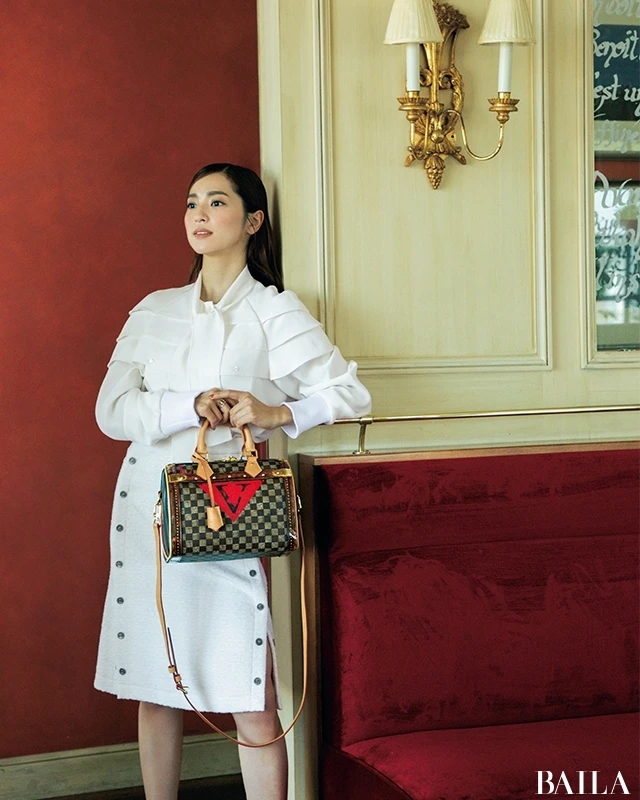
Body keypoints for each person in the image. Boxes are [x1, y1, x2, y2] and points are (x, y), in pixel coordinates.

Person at [94, 162, 372, 800]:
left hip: (230, 508)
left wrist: (277, 413)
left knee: (252, 689)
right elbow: (110, 411)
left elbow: (350, 393)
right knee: (156, 686)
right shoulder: (154, 309)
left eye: (217, 202)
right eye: (192, 202)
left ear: (252, 221)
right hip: (149, 507)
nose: (199, 214)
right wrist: (186, 405)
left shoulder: (274, 309)